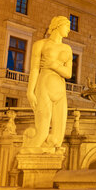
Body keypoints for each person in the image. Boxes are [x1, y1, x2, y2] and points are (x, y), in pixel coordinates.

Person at [24, 16, 72, 149]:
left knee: (57, 137)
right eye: (67, 26)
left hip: (60, 91)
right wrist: (30, 91)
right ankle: (27, 155)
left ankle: (50, 160)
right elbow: (34, 69)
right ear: (58, 25)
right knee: (42, 131)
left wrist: (54, 65)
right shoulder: (40, 45)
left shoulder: (67, 49)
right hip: (44, 87)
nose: (69, 30)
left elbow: (68, 73)